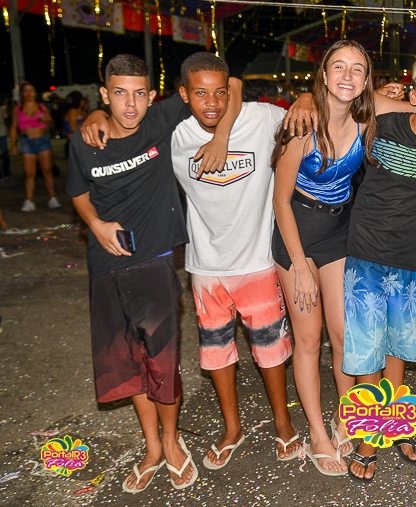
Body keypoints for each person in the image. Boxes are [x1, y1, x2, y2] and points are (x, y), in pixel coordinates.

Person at [69, 54, 232, 494]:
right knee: (129, 364)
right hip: (106, 265)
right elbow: (78, 192)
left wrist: (221, 138)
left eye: (139, 93)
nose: (130, 104)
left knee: (162, 361)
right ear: (104, 95)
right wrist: (95, 224)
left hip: (155, 261)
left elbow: (229, 85)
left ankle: (173, 443)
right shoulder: (84, 143)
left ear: (152, 96)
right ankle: (153, 447)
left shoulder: (159, 122)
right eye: (119, 94)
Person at [170, 52, 302, 469]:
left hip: (256, 262)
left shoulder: (261, 119)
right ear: (183, 95)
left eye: (219, 93)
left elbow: (308, 117)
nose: (211, 102)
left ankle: (283, 424)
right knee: (216, 353)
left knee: (271, 350)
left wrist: (305, 99)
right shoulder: (176, 136)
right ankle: (232, 429)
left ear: (231, 91)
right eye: (200, 93)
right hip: (206, 267)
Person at [342, 56, 416, 481]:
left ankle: (395, 427)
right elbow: (345, 100)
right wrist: (382, 95)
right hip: (366, 252)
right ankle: (367, 438)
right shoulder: (385, 123)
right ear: (411, 95)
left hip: (411, 258)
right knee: (367, 352)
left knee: (398, 350)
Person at [270, 39, 379, 476]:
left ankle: (345, 415)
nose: (347, 76)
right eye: (339, 67)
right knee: (309, 339)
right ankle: (317, 432)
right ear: (324, 75)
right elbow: (280, 202)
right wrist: (299, 266)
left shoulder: (366, 121)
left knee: (344, 335)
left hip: (337, 233)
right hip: (295, 235)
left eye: (357, 68)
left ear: (366, 80)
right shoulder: (302, 126)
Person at [9, 82, 59, 211]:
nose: (28, 93)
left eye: (31, 90)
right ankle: (29, 201)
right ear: (22, 94)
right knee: (29, 173)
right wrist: (13, 146)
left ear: (35, 93)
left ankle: (52, 198)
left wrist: (46, 120)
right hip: (27, 143)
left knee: (47, 171)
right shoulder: (18, 109)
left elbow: (52, 125)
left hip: (43, 141)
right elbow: (13, 128)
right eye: (26, 91)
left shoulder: (42, 107)